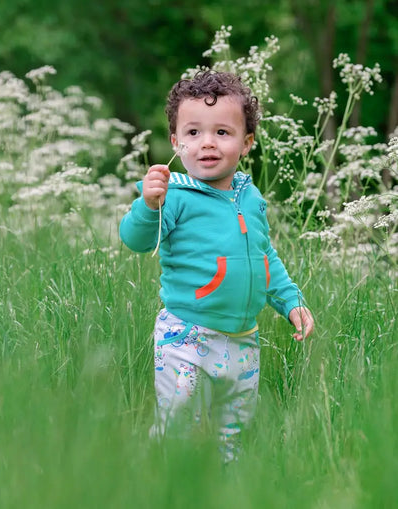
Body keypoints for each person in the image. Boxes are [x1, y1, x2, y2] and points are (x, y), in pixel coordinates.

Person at [119, 70, 314, 460]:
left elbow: (264, 256)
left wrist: (290, 300)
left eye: (222, 133)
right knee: (179, 427)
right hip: (186, 336)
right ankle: (163, 485)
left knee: (232, 433)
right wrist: (147, 206)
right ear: (175, 142)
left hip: (243, 339)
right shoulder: (173, 194)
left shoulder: (250, 196)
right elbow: (135, 240)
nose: (207, 143)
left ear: (247, 143)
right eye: (193, 133)